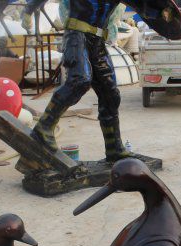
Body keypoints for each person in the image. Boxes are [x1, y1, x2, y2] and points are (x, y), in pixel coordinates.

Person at [21, 0, 131, 165]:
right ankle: (43, 128)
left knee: (110, 93)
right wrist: (29, 9)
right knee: (80, 80)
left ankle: (114, 148)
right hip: (77, 35)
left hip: (98, 40)